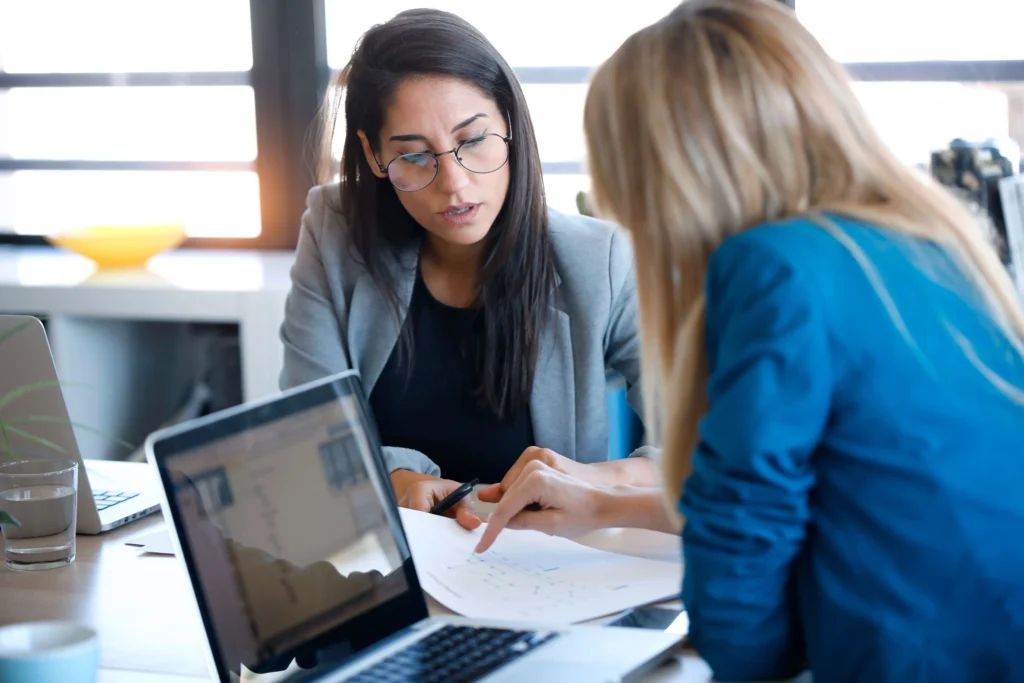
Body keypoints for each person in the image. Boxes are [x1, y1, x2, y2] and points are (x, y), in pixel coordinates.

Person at [482, 0, 1024, 681]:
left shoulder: (773, 268)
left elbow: (740, 595)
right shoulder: (927, 239)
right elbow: (821, 495)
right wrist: (604, 505)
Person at [278, 8, 662, 531]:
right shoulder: (335, 231)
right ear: (371, 154)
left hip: (543, 566)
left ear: (509, 122)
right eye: (414, 155)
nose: (454, 184)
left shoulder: (599, 259)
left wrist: (594, 482)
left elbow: (708, 438)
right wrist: (394, 481)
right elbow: (303, 436)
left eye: (474, 139)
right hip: (395, 562)